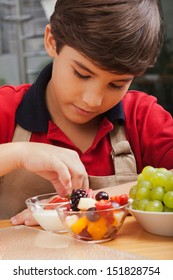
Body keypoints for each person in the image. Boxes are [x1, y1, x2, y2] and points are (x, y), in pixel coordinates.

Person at [0, 0, 173, 225]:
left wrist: (91, 204)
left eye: (116, 84)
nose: (93, 100)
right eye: (82, 74)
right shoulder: (5, 108)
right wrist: (19, 154)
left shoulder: (143, 116)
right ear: (52, 41)